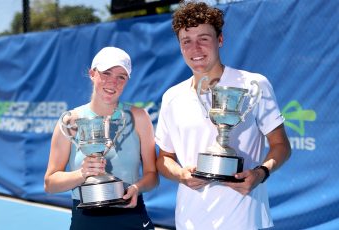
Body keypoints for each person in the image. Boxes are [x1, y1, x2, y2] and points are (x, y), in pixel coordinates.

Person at [155, 2, 291, 230]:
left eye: (203, 39)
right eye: (186, 41)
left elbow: (281, 145)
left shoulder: (254, 84)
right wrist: (180, 174)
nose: (195, 48)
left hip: (245, 220)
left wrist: (261, 173)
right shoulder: (172, 96)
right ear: (180, 46)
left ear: (220, 40)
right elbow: (164, 158)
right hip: (190, 221)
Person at [44, 47, 158, 230]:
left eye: (121, 76)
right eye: (106, 73)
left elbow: (152, 176)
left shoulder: (139, 117)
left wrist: (137, 188)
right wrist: (82, 173)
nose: (113, 82)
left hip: (132, 217)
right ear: (92, 74)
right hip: (86, 220)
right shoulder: (70, 121)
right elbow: (50, 184)